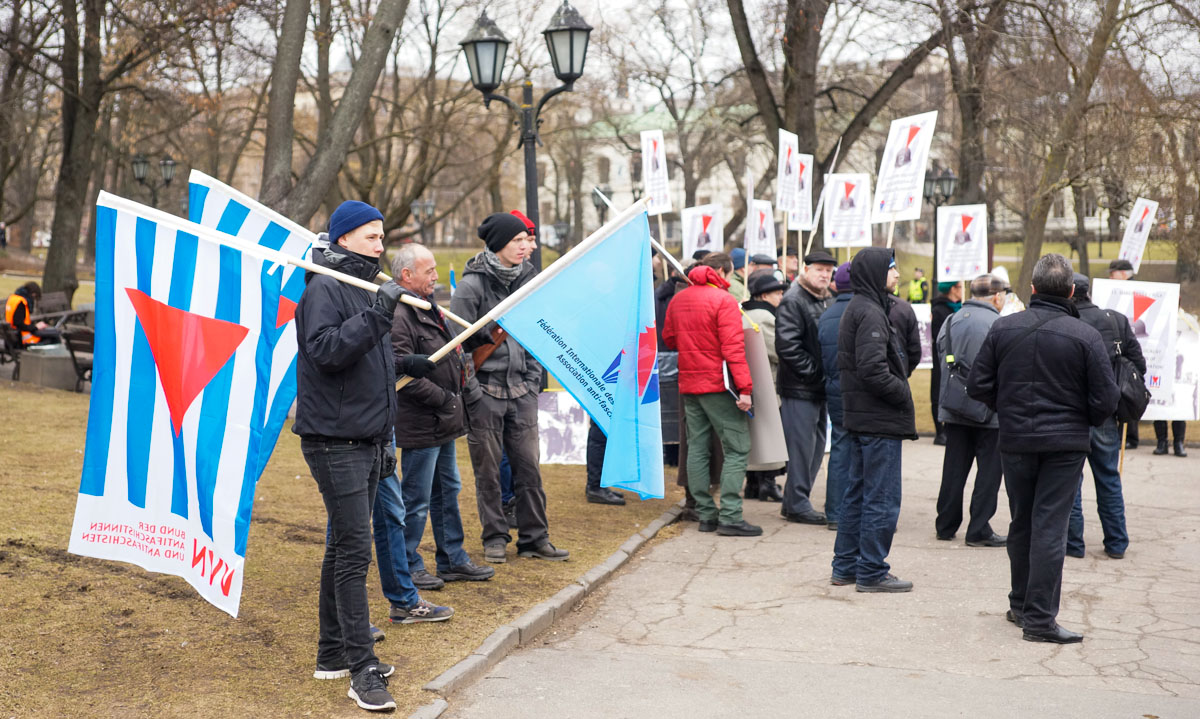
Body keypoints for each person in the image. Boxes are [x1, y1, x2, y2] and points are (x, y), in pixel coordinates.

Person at [294, 200, 436, 711]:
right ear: (345, 238)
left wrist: (409, 362)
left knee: (342, 549)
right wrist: (379, 314)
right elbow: (327, 351)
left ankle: (331, 653)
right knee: (355, 552)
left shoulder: (362, 287)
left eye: (381, 237)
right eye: (372, 238)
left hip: (369, 437)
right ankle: (361, 668)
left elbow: (368, 355)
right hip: (335, 440)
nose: (381, 247)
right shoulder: (324, 287)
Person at [968, 253, 1119, 644]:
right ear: (1070, 290)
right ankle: (1036, 618)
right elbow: (1105, 400)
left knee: (1023, 522)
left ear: (1032, 289)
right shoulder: (1084, 335)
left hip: (1019, 439)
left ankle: (1022, 605)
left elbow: (977, 386)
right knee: (1049, 526)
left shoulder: (1004, 328)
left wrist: (1010, 408)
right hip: (1063, 445)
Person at [451, 212, 569, 563]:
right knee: (487, 471)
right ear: (499, 244)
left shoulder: (530, 282)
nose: (526, 246)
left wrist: (532, 380)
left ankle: (535, 538)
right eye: (518, 240)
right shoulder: (471, 287)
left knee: (529, 467)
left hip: (522, 391)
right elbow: (458, 346)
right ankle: (495, 537)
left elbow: (537, 336)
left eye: (526, 240)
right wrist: (473, 392)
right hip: (484, 391)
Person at [389, 243, 495, 589]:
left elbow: (447, 352)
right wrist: (445, 400)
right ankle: (408, 564)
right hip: (422, 421)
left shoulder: (429, 307)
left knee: (447, 489)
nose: (436, 276)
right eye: (429, 270)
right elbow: (401, 374)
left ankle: (452, 558)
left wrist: (473, 339)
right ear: (407, 275)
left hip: (443, 419)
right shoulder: (399, 313)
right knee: (416, 498)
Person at [833, 248, 916, 592]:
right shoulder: (868, 311)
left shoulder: (865, 306)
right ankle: (870, 571)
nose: (897, 274)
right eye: (891, 268)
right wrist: (902, 393)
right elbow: (872, 369)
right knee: (880, 498)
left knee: (858, 493)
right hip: (877, 419)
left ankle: (847, 566)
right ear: (875, 273)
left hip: (865, 417)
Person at [662, 252, 760, 537]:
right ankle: (730, 515)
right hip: (720, 385)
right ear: (723, 274)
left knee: (697, 448)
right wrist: (745, 389)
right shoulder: (725, 301)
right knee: (738, 448)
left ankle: (706, 514)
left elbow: (669, 338)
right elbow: (733, 350)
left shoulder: (679, 298)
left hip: (689, 384)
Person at [1067, 272, 1144, 560]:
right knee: (1109, 479)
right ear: (1089, 293)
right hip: (1105, 413)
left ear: (1069, 292)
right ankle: (1116, 543)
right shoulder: (1115, 320)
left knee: (1070, 482)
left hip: (1073, 414)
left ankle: (1073, 545)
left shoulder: (1066, 322)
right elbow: (1139, 364)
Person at [934, 274, 1008, 547]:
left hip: (955, 406)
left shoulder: (951, 320)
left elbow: (943, 355)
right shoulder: (998, 324)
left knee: (954, 468)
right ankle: (978, 528)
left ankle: (945, 524)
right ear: (997, 297)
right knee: (988, 472)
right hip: (989, 410)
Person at [775, 250, 836, 525]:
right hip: (800, 387)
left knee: (816, 446)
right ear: (806, 269)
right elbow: (788, 346)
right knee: (802, 448)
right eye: (819, 269)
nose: (825, 275)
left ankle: (794, 501)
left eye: (828, 270)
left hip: (818, 387)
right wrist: (816, 375)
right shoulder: (794, 299)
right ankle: (798, 503)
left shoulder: (826, 299)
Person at [742, 269, 788, 502]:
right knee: (769, 434)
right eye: (776, 293)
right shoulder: (765, 318)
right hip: (767, 383)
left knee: (753, 434)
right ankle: (767, 484)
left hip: (748, 382)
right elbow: (777, 352)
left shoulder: (745, 313)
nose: (780, 297)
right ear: (762, 296)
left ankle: (752, 484)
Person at [818, 262, 853, 530]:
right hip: (858, 391)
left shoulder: (827, 314)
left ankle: (835, 512)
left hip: (834, 387)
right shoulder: (865, 311)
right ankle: (849, 512)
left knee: (840, 450)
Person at [1107, 259, 1138, 449]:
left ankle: (1130, 437)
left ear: (1124, 273)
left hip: (1128, 350)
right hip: (1119, 347)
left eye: (1114, 273)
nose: (1110, 276)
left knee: (1129, 394)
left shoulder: (1134, 291)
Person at [929, 280, 963, 445]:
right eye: (960, 287)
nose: (962, 290)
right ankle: (940, 431)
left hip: (957, 358)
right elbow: (937, 336)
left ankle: (951, 428)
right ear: (952, 289)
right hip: (940, 358)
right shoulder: (939, 309)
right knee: (937, 392)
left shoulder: (961, 309)